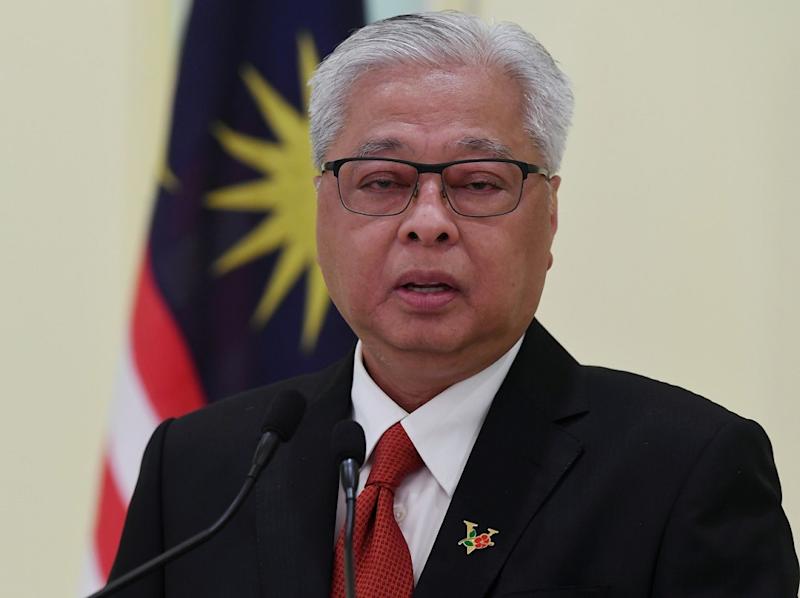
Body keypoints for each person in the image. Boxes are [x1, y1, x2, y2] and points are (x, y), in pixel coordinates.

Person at [109, 11, 798, 597]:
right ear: (322, 210)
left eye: (478, 183)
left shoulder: (683, 473)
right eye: (382, 181)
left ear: (550, 216)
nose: (428, 222)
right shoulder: (200, 470)